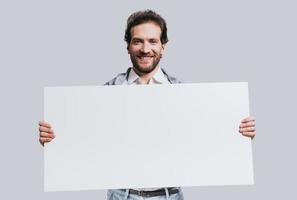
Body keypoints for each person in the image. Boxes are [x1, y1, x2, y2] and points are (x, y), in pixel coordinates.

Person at [39, 10, 256, 200]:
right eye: (138, 41)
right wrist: (54, 139)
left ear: (163, 46)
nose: (145, 49)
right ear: (128, 46)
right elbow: (84, 137)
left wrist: (238, 135)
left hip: (170, 195)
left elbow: (206, 135)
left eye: (153, 41)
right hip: (120, 195)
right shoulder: (107, 93)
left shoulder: (183, 93)